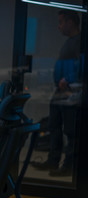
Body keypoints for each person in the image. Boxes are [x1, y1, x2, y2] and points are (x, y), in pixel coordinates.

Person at [32, 10, 81, 176]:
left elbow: (82, 67)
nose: (58, 27)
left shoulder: (81, 42)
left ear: (70, 22)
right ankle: (53, 161)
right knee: (53, 126)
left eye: (61, 22)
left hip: (71, 93)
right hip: (59, 93)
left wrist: (69, 79)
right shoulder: (69, 42)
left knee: (70, 131)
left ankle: (68, 166)